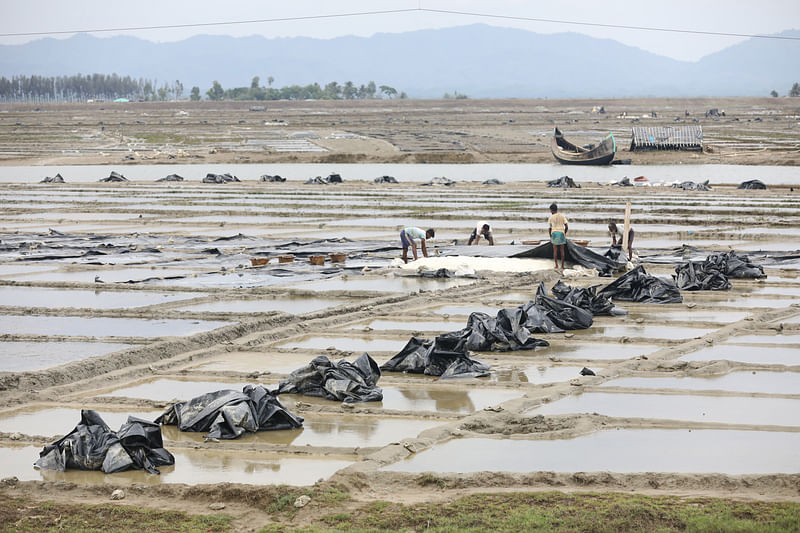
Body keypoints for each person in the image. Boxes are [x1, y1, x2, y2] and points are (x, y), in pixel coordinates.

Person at [548, 203, 568, 270]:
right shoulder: (562, 216)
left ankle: (556, 265)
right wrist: (564, 233)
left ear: (552, 210)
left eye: (550, 210)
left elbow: (550, 228)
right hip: (561, 233)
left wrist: (550, 236)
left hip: (554, 233)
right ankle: (562, 266)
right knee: (562, 250)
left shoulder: (551, 217)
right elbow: (566, 226)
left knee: (555, 250)